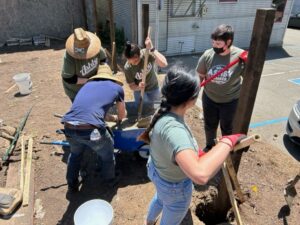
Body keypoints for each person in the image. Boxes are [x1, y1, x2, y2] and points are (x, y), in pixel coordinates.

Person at [138, 66, 245, 225]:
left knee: (160, 198)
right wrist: (227, 142)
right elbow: (200, 175)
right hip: (174, 187)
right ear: (191, 100)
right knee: (171, 209)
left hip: (158, 172)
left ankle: (149, 222)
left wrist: (195, 154)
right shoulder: (175, 131)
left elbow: (170, 144)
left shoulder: (164, 110)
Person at [61, 64, 126, 194]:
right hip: (90, 130)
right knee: (107, 154)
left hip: (68, 125)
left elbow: (90, 111)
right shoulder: (117, 88)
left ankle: (72, 185)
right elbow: (122, 115)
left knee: (75, 154)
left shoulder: (86, 86)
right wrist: (118, 119)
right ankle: (110, 181)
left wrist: (111, 118)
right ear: (111, 78)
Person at [196, 24, 245, 151]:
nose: (214, 46)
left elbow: (249, 80)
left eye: (218, 44)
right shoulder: (208, 55)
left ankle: (225, 149)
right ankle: (210, 146)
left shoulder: (240, 57)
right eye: (213, 42)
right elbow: (200, 75)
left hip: (230, 101)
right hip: (209, 98)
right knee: (209, 125)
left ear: (228, 42)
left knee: (227, 127)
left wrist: (250, 63)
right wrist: (195, 89)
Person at [61, 27, 107, 102]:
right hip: (76, 91)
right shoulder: (69, 57)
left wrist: (102, 75)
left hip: (93, 87)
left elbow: (103, 61)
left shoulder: (96, 47)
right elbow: (69, 79)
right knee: (83, 110)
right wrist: (91, 80)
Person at [124, 37, 168, 107]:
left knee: (157, 107)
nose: (133, 64)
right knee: (144, 110)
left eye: (135, 61)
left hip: (154, 88)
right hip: (140, 92)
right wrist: (138, 87)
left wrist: (152, 48)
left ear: (139, 55)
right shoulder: (127, 68)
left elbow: (164, 64)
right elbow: (132, 86)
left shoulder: (146, 54)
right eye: (130, 62)